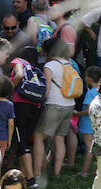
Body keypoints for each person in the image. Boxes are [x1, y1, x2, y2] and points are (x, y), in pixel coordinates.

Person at [33, 37, 78, 179]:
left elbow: (46, 90)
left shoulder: (50, 66)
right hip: (69, 105)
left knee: (39, 137)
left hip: (53, 104)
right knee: (59, 139)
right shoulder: (69, 64)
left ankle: (37, 173)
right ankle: (57, 173)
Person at [8, 46, 41, 186]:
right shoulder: (34, 68)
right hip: (35, 105)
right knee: (23, 140)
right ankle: (20, 175)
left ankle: (31, 179)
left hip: (20, 104)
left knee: (22, 143)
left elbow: (19, 75)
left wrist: (8, 90)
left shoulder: (19, 62)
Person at [76, 66, 101, 177]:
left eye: (86, 76)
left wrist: (76, 113)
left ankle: (84, 172)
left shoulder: (90, 93)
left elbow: (88, 111)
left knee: (89, 148)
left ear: (90, 78)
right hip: (99, 123)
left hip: (88, 124)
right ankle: (97, 171)